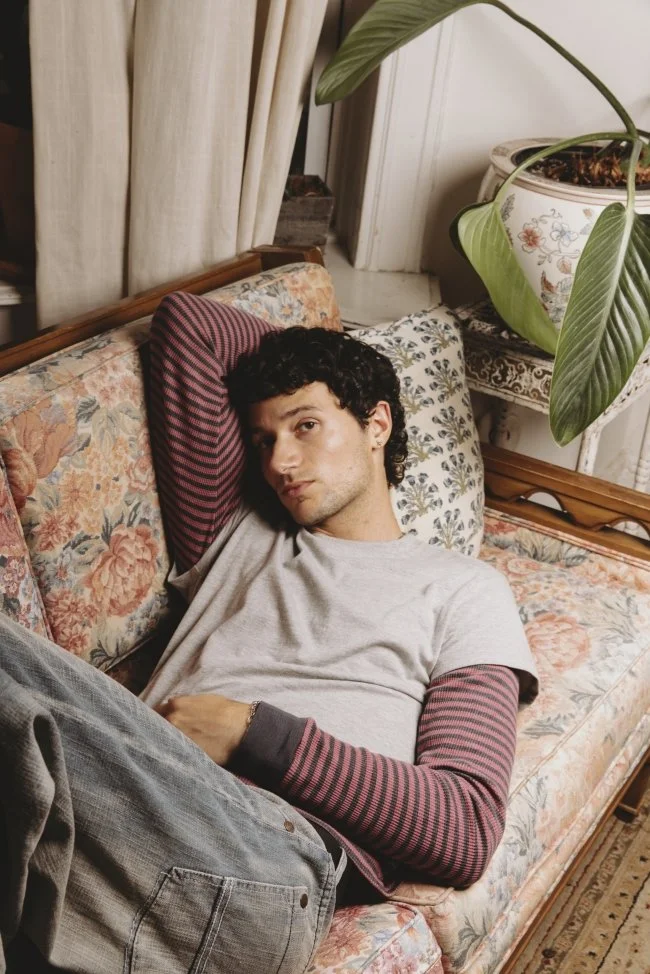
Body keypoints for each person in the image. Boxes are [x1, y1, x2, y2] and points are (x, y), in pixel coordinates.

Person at [0, 292, 538, 974]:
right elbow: (190, 327)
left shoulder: (464, 588)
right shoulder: (234, 530)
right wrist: (310, 367)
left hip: (265, 857)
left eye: (307, 425)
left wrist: (255, 732)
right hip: (120, 802)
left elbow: (464, 830)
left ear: (377, 423)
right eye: (263, 440)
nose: (280, 461)